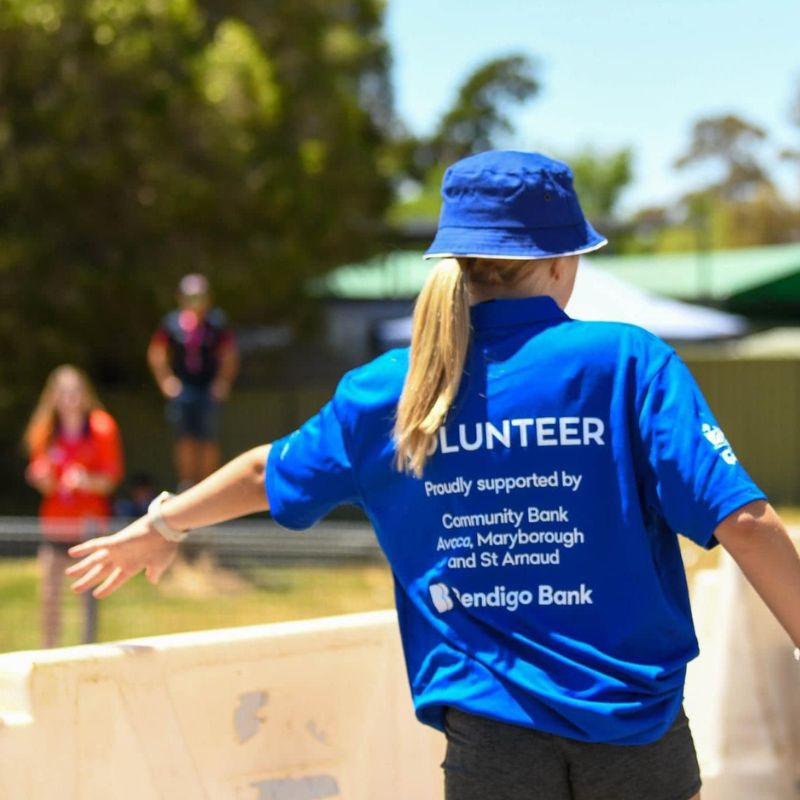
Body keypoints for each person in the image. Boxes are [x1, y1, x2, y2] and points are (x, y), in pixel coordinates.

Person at [67, 151, 800, 800]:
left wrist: (162, 525)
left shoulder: (390, 389)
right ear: (558, 260)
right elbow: (743, 519)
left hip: (489, 744)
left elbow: (268, 470)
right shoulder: (628, 362)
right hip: (637, 736)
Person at [24, 365, 123, 647]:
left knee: (88, 596)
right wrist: (43, 479)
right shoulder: (45, 430)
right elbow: (46, 483)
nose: (70, 398)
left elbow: (110, 480)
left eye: (75, 391)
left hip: (89, 527)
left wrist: (85, 481)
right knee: (50, 596)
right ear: (53, 397)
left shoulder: (101, 427)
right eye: (63, 393)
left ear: (84, 393)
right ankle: (48, 652)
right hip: (55, 525)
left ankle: (86, 651)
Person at [147, 273, 238, 490]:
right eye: (190, 296)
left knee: (208, 439)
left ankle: (207, 487)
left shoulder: (216, 323)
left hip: (207, 389)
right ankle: (187, 485)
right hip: (184, 389)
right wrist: (166, 381)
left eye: (200, 295)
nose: (195, 301)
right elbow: (157, 353)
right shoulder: (171, 323)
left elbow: (229, 355)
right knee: (185, 439)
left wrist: (222, 382)